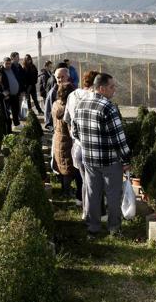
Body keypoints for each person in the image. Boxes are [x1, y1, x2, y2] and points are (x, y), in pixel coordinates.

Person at [72, 73, 131, 239]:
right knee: (113, 196)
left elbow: (75, 132)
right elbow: (119, 138)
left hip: (89, 159)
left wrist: (89, 145)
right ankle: (114, 229)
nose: (115, 90)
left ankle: (93, 229)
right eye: (112, 87)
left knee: (92, 194)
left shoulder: (81, 104)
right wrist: (126, 159)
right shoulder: (109, 107)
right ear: (102, 88)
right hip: (110, 161)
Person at [64, 70, 99, 209]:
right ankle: (95, 210)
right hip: (92, 142)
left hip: (77, 142)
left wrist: (73, 135)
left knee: (80, 172)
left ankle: (80, 200)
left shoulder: (72, 95)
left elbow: (66, 118)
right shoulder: (94, 97)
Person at [52, 83, 82, 200]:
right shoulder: (67, 108)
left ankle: (65, 190)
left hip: (58, 139)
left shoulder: (55, 104)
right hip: (67, 141)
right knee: (69, 167)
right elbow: (71, 128)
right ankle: (67, 191)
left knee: (63, 165)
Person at [0, 57, 21, 127]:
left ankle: (16, 124)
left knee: (16, 110)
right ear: (3, 63)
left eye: (9, 63)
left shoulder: (13, 69)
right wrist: (4, 92)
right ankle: (8, 125)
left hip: (15, 94)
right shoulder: (0, 71)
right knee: (7, 111)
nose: (8, 65)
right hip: (7, 95)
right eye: (6, 64)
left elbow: (18, 79)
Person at [10, 52, 26, 119]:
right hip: (13, 89)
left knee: (20, 102)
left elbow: (22, 77)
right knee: (14, 103)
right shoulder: (10, 67)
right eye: (17, 57)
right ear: (12, 58)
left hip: (20, 88)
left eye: (18, 57)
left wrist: (23, 89)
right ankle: (16, 115)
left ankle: (19, 114)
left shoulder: (19, 66)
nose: (18, 58)